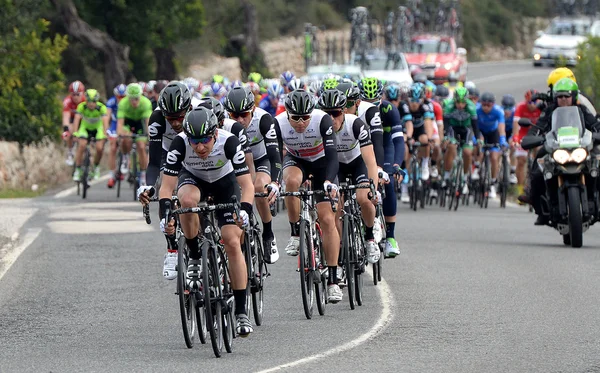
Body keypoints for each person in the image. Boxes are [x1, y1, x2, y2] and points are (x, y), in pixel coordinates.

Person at [149, 106, 255, 337]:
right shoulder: (179, 143)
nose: (200, 147)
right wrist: (167, 213)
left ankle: (240, 311)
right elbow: (167, 187)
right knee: (186, 200)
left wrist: (245, 209)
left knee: (232, 242)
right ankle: (196, 255)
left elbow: (247, 185)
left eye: (205, 140)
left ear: (215, 133)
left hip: (226, 183)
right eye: (194, 141)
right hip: (194, 179)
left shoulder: (229, 142)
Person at [275, 90, 342, 303]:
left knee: (327, 219)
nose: (302, 122)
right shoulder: (277, 124)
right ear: (287, 114)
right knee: (292, 182)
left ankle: (332, 279)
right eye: (296, 118)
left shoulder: (322, 120)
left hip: (322, 164)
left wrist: (329, 181)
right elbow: (275, 155)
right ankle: (296, 232)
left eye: (306, 117)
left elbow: (333, 154)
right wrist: (276, 182)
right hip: (297, 161)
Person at [318, 89, 381, 264]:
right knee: (335, 207)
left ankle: (369, 238)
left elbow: (370, 160)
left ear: (344, 111)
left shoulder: (356, 124)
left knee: (364, 198)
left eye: (336, 113)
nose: (331, 118)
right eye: (326, 113)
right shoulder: (319, 127)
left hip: (357, 163)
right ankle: (339, 250)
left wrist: (373, 189)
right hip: (336, 167)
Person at [526, 78, 600, 225]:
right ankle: (541, 211)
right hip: (555, 149)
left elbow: (595, 125)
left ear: (573, 96)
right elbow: (537, 128)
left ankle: (596, 204)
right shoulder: (549, 111)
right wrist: (531, 137)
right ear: (555, 98)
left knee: (597, 167)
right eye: (560, 96)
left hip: (580, 148)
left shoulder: (582, 110)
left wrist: (597, 134)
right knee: (536, 174)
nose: (564, 99)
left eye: (567, 96)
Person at [138, 82, 193, 280]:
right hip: (168, 154)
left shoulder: (199, 113)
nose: (176, 123)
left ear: (189, 108)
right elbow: (153, 162)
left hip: (195, 153)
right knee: (164, 189)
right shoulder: (156, 118)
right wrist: (149, 185)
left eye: (179, 117)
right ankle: (171, 249)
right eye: (171, 118)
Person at [223, 87, 282, 264]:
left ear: (253, 110)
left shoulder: (264, 119)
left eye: (244, 115)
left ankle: (268, 233)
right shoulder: (224, 123)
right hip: (237, 162)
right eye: (235, 115)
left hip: (261, 159)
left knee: (258, 188)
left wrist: (275, 181)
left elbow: (274, 154)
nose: (240, 120)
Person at [354, 78, 403, 258]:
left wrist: (396, 164)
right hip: (361, 148)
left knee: (388, 181)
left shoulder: (389, 110)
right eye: (367, 103)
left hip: (384, 146)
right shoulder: (353, 110)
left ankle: (390, 237)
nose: (372, 107)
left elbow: (398, 140)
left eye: (375, 103)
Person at [442, 86, 479, 195]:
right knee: (451, 147)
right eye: (458, 102)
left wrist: (478, 139)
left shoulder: (471, 107)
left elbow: (475, 126)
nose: (460, 105)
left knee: (467, 153)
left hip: (466, 130)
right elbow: (446, 124)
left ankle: (465, 178)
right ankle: (447, 175)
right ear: (454, 100)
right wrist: (446, 136)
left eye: (463, 102)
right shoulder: (449, 106)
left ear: (467, 100)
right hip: (453, 128)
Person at [117, 83, 153, 186]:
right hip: (128, 123)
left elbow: (147, 122)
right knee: (126, 138)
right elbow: (120, 123)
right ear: (128, 97)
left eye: (136, 98)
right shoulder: (123, 103)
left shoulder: (146, 103)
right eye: (132, 99)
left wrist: (149, 136)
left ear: (140, 96)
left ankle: (142, 174)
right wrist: (120, 134)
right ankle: (125, 157)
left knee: (141, 147)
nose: (134, 101)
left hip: (140, 123)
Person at [475, 92, 508, 199]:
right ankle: (477, 168)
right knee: (480, 147)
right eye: (483, 105)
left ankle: (493, 183)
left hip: (493, 133)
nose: (485, 108)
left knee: (494, 157)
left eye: (488, 105)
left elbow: (501, 127)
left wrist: (502, 141)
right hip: (480, 132)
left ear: (493, 105)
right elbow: (472, 126)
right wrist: (475, 139)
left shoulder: (498, 111)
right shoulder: (476, 109)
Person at [71, 89, 109, 181]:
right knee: (82, 145)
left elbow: (105, 121)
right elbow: (76, 120)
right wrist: (75, 132)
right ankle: (78, 169)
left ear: (97, 101)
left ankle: (96, 167)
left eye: (94, 101)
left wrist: (105, 133)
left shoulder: (102, 107)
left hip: (97, 129)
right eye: (89, 101)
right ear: (86, 100)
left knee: (99, 149)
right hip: (85, 128)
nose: (91, 104)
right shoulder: (81, 107)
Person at [512, 89, 542, 196]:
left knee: (539, 153)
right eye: (529, 102)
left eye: (534, 102)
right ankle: (520, 190)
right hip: (523, 134)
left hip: (537, 134)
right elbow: (516, 125)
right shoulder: (520, 107)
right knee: (521, 161)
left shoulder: (541, 108)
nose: (532, 105)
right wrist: (515, 139)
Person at [106, 84, 127, 188]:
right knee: (113, 147)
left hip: (126, 125)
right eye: (119, 97)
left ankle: (125, 160)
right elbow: (107, 117)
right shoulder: (111, 102)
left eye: (123, 97)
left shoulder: (129, 103)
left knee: (126, 141)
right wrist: (106, 130)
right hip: (114, 125)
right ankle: (111, 176)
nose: (121, 99)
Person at [63, 81, 86, 166]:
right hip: (73, 119)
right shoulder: (67, 101)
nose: (75, 97)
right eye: (73, 94)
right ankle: (70, 151)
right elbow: (66, 116)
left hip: (85, 119)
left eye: (78, 94)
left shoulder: (86, 100)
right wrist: (66, 130)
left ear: (82, 93)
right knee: (69, 130)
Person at [501, 94, 519, 185]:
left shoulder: (515, 112)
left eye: (509, 108)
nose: (507, 111)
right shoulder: (499, 112)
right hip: (501, 131)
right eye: (505, 108)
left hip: (511, 132)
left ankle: (512, 171)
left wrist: (513, 139)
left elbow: (516, 129)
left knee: (513, 147)